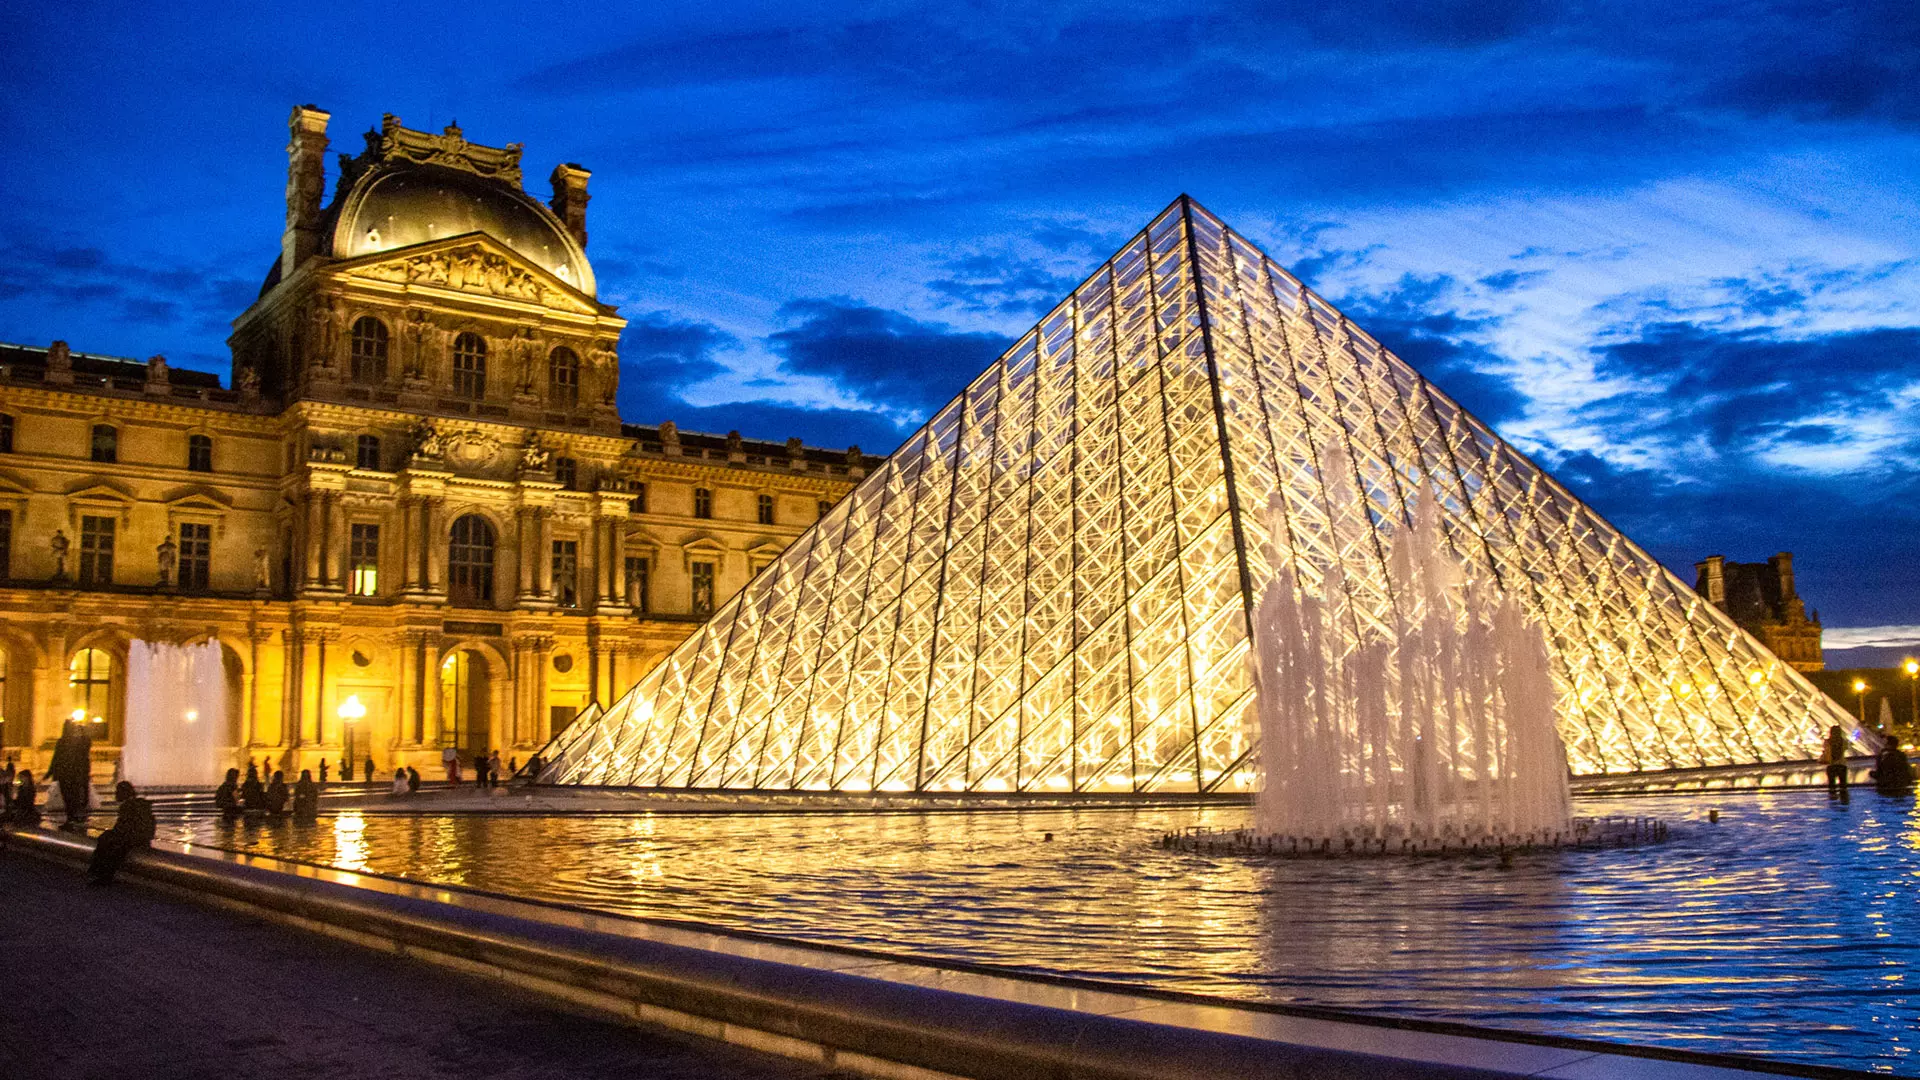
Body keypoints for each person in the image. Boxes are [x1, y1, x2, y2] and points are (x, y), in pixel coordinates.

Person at [88, 781, 156, 885]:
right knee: (109, 839)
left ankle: (101, 873)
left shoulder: (128, 806)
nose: (115, 794)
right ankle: (98, 871)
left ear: (123, 793)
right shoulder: (139, 804)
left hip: (134, 839)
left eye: (117, 792)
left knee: (110, 842)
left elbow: (121, 828)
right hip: (141, 838)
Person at [49, 719, 93, 827]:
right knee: (74, 797)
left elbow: (56, 759)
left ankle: (72, 818)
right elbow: (87, 743)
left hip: (66, 775)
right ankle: (73, 818)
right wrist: (83, 728)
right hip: (73, 775)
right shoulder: (76, 742)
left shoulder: (64, 742)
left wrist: (50, 772)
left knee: (69, 798)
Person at [1825, 724, 1851, 804]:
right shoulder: (1843, 741)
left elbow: (1826, 751)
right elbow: (1846, 748)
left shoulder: (1827, 741)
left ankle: (1833, 802)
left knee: (1832, 786)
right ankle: (1844, 801)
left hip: (1831, 765)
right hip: (1842, 765)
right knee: (1843, 786)